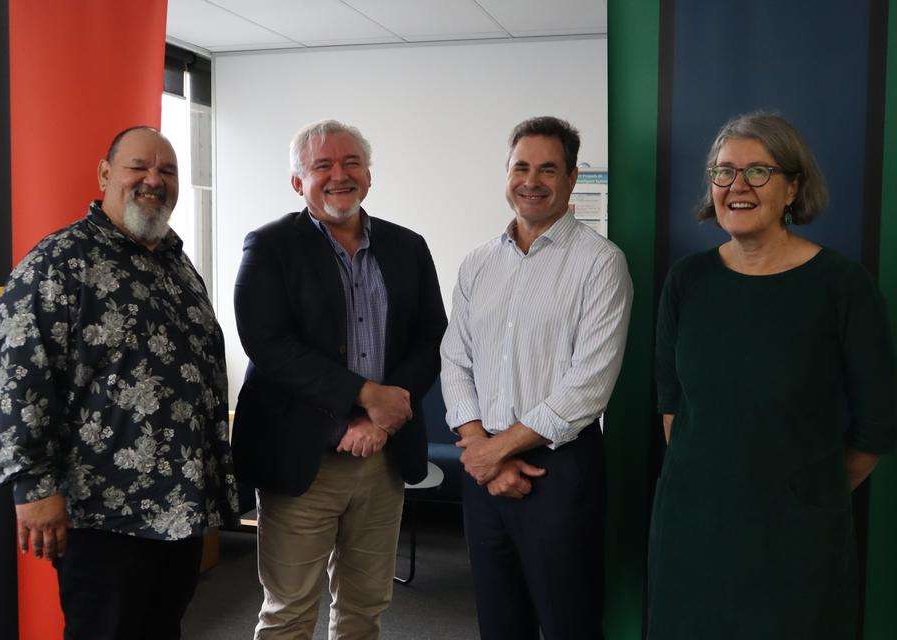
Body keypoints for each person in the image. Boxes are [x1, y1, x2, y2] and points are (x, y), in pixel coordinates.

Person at [649, 112, 897, 638]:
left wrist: (805, 495)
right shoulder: (687, 281)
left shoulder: (842, 285)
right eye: (724, 172)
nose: (736, 186)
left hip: (797, 542)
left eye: (757, 171)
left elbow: (878, 423)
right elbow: (672, 403)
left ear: (793, 188)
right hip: (692, 533)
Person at [0, 126, 238, 640]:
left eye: (167, 171)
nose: (154, 180)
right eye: (138, 167)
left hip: (178, 508)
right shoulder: (59, 262)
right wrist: (33, 488)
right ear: (106, 174)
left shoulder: (176, 262)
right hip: (101, 512)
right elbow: (20, 380)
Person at [232, 119, 447, 639]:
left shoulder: (408, 247)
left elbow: (430, 336)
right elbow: (270, 347)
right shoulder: (270, 247)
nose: (339, 175)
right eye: (322, 165)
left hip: (383, 459)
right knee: (288, 611)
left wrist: (384, 419)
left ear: (368, 175)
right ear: (297, 182)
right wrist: (360, 400)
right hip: (303, 458)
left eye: (351, 162)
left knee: (365, 607)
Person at [440, 116, 633, 640]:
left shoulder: (601, 264)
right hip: (483, 472)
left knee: (569, 621)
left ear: (572, 178)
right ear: (506, 174)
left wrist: (495, 451)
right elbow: (455, 359)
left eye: (548, 169)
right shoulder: (478, 263)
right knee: (499, 622)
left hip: (558, 472)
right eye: (521, 167)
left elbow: (588, 385)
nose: (532, 180)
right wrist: (481, 449)